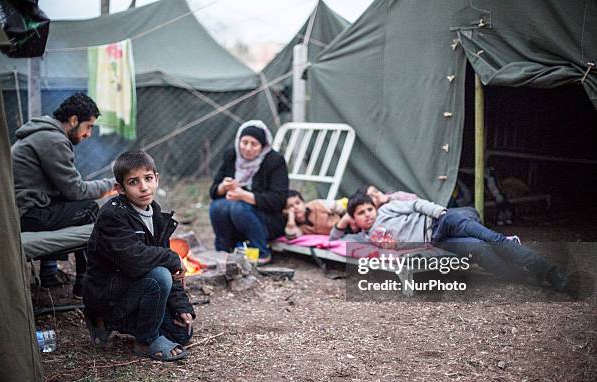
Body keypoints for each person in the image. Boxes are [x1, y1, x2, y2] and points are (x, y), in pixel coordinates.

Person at [330, 192, 569, 292]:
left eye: (369, 209)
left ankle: (551, 272)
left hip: (441, 223)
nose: (368, 215)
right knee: (479, 250)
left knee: (492, 238)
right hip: (436, 242)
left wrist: (441, 213)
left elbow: (416, 204)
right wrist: (343, 221)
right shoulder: (363, 237)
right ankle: (525, 276)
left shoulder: (387, 210)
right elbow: (334, 239)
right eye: (360, 213)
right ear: (355, 219)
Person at [83, 151, 194, 362]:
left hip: (134, 288)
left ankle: (129, 325)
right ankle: (143, 339)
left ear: (157, 178)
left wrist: (181, 307)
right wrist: (173, 257)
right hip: (110, 296)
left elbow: (170, 267)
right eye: (134, 182)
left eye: (148, 179)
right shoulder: (113, 216)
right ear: (120, 189)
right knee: (160, 275)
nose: (144, 187)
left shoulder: (154, 212)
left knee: (182, 333)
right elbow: (135, 260)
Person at [11, 93, 115, 293]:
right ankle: (86, 284)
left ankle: (49, 274)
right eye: (89, 126)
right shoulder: (52, 140)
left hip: (25, 209)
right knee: (89, 209)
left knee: (63, 206)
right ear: (74, 120)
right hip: (26, 214)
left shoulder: (42, 133)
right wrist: (113, 185)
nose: (89, 134)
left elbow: (65, 190)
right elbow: (76, 191)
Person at [209, 120, 289, 265]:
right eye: (244, 142)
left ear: (263, 146)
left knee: (238, 207)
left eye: (254, 144)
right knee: (218, 206)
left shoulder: (274, 161)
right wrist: (224, 187)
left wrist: (243, 195)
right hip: (238, 217)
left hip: (268, 219)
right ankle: (224, 250)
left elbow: (278, 200)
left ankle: (261, 252)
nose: (247, 148)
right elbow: (214, 191)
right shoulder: (232, 155)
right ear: (238, 140)